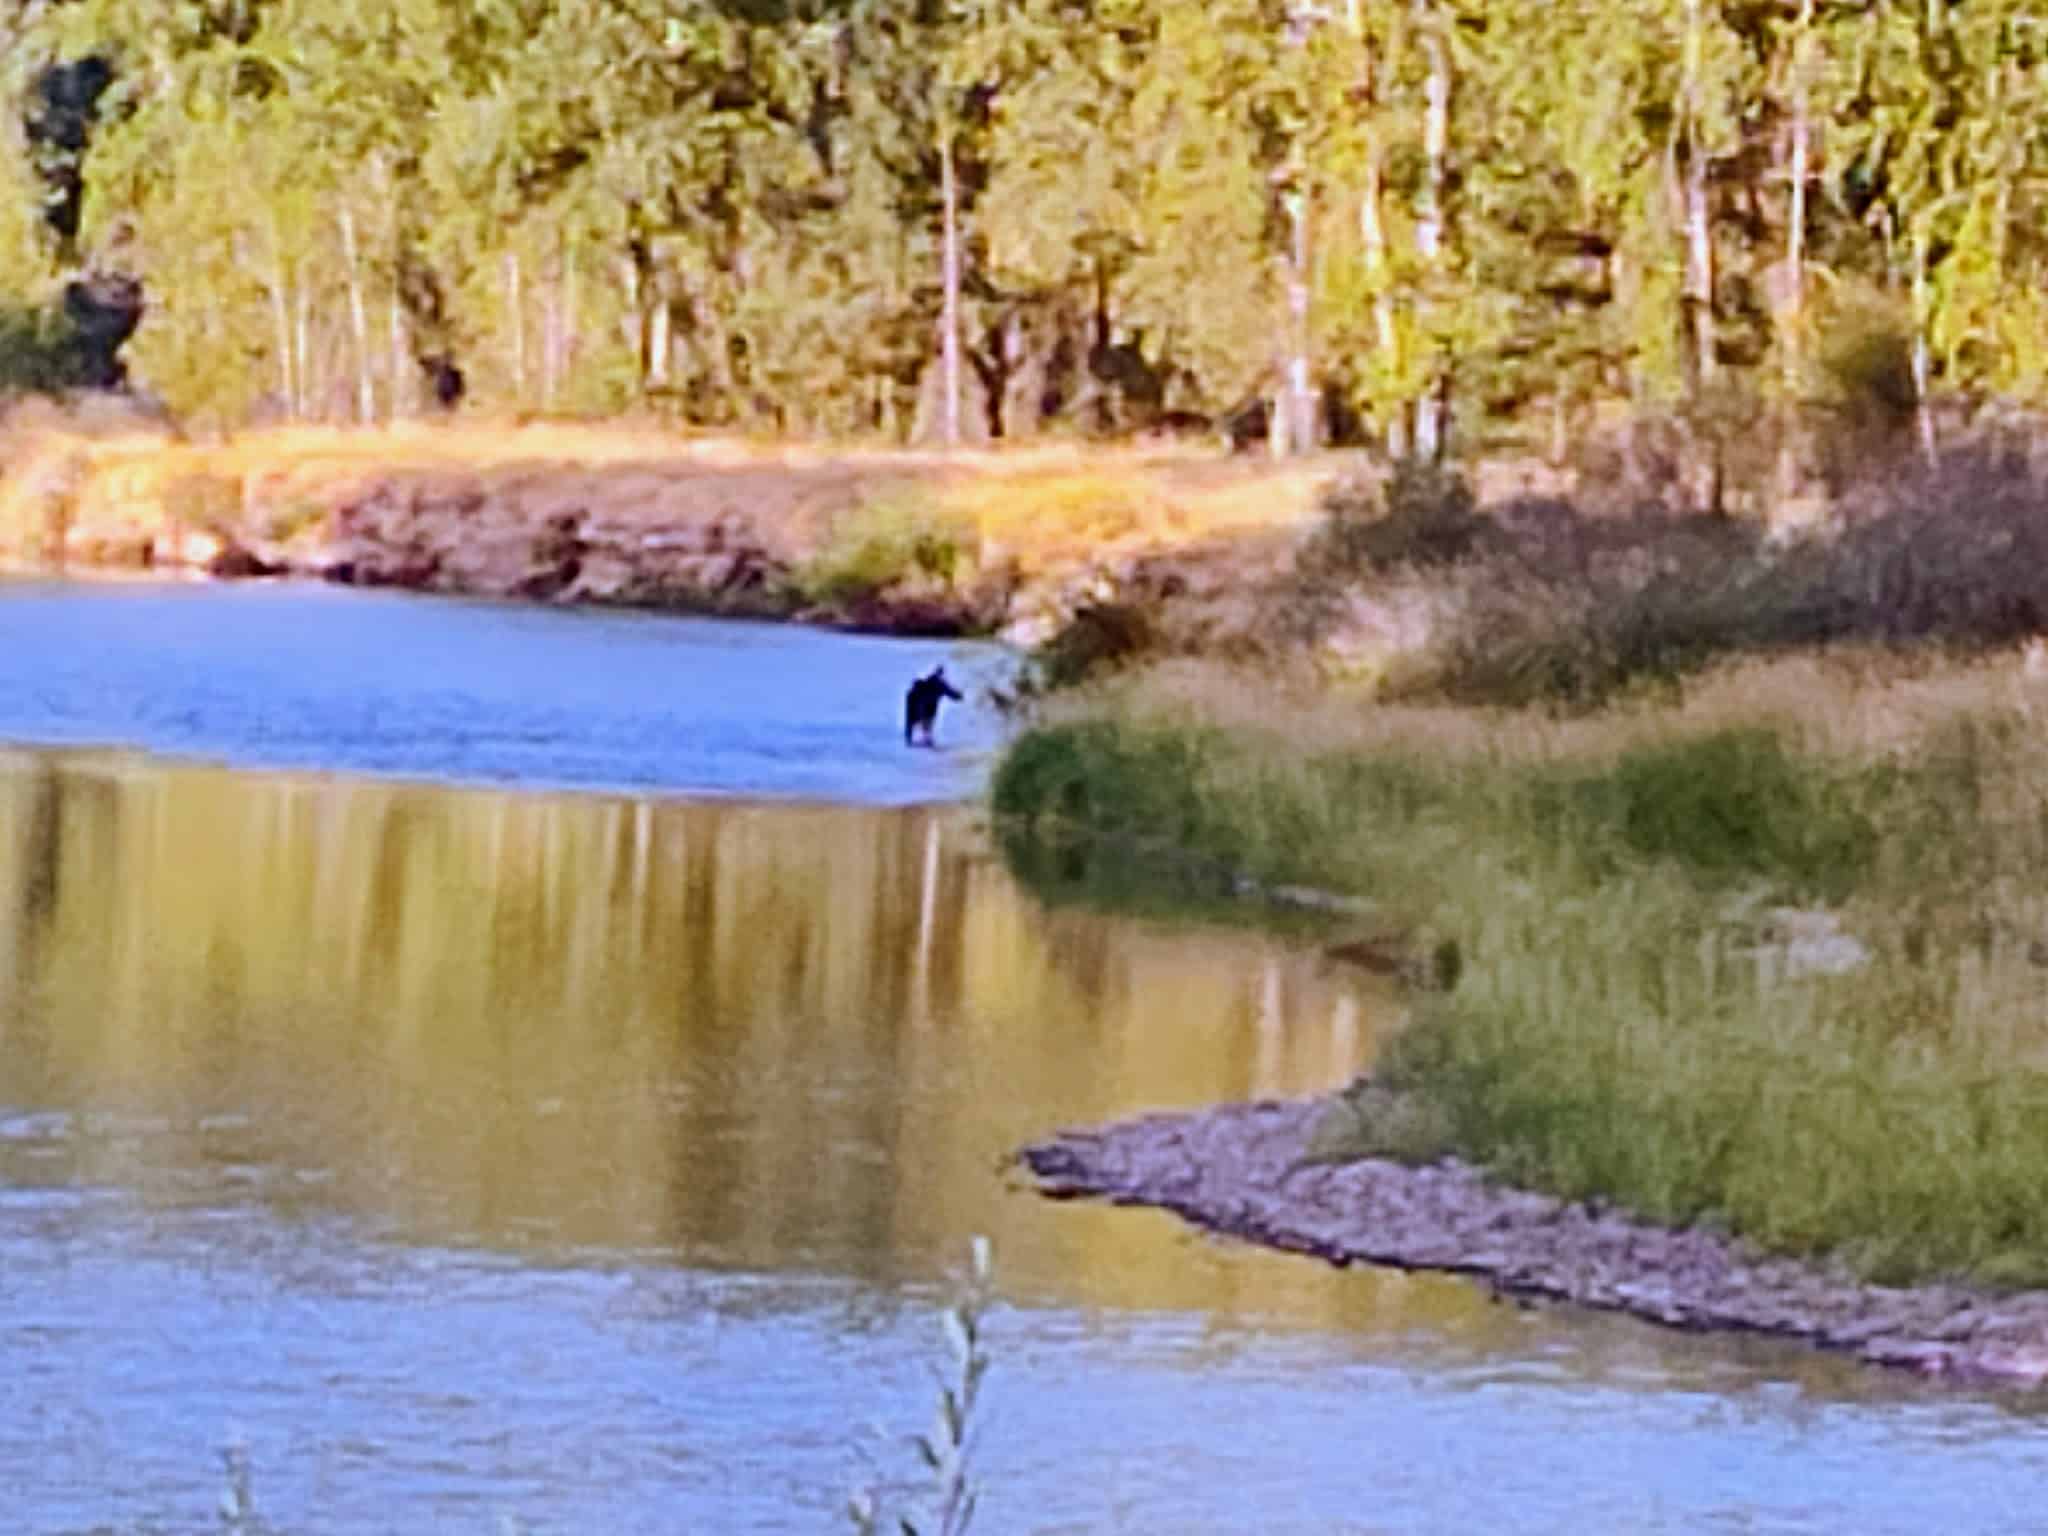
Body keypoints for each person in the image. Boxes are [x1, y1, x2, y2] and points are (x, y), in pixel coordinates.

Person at [904, 665, 963, 747]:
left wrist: (959, 696)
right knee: (915, 719)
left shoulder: (941, 684)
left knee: (925, 718)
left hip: (928, 703)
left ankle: (923, 737)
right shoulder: (933, 683)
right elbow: (952, 694)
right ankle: (918, 737)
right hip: (918, 700)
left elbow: (952, 693)